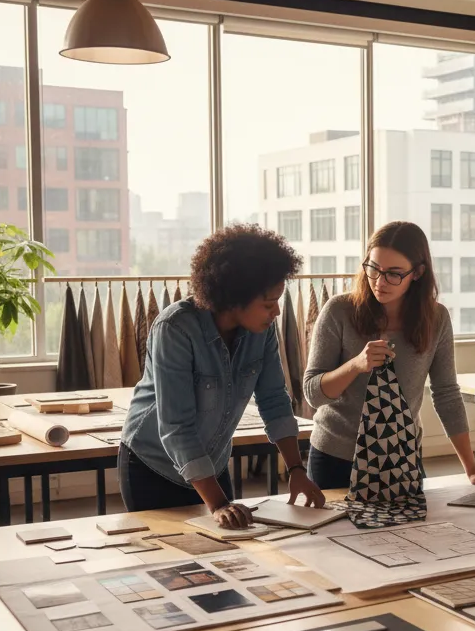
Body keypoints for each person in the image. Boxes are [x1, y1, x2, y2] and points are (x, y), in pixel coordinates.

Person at [119, 225, 325, 528]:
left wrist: (296, 469)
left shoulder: (262, 331)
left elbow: (274, 400)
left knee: (228, 555)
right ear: (234, 298)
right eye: (268, 304)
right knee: (167, 564)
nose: (277, 312)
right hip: (153, 466)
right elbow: (176, 427)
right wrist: (218, 504)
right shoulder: (175, 329)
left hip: (211, 464)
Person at [303, 221, 475, 489]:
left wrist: (472, 469)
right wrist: (356, 365)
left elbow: (446, 393)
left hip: (402, 457)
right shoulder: (339, 310)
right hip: (336, 457)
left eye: (394, 273)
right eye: (373, 268)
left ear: (417, 273)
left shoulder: (436, 318)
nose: (379, 282)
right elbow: (312, 393)